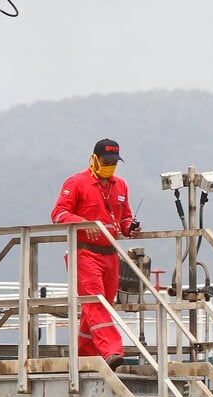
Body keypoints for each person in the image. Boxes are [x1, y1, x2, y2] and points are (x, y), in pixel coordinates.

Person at [51, 138, 141, 370]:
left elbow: (124, 218)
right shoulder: (76, 183)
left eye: (114, 162)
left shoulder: (121, 185)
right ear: (94, 159)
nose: (110, 165)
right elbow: (59, 214)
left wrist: (130, 227)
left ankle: (84, 359)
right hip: (84, 253)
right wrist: (82, 222)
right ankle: (112, 351)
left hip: (111, 254)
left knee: (101, 309)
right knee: (96, 304)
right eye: (106, 161)